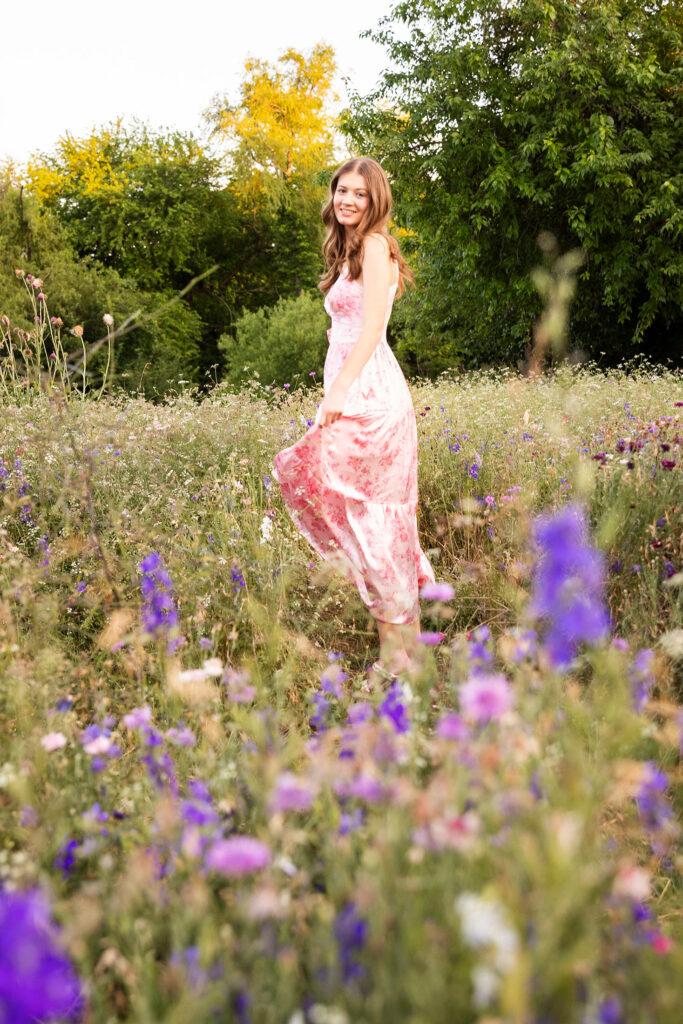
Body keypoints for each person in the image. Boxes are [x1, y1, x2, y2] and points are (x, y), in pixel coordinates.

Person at [272, 156, 435, 679]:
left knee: (375, 520)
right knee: (368, 523)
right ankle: (405, 659)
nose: (347, 200)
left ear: (375, 200)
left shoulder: (375, 246)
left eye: (359, 194)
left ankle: (398, 662)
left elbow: (371, 332)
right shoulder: (347, 252)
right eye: (342, 190)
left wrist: (338, 388)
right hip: (351, 392)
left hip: (373, 399)